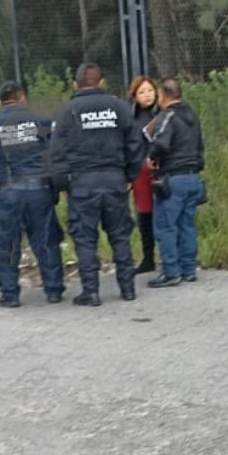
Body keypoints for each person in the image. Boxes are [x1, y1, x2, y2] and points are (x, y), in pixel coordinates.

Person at [50, 62, 145, 306]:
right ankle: (128, 288)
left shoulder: (67, 111)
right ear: (101, 83)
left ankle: (91, 292)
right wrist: (129, 176)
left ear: (75, 84)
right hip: (114, 180)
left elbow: (57, 154)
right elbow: (136, 145)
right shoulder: (119, 108)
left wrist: (63, 185)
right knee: (120, 235)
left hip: (82, 184)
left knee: (85, 238)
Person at [0, 81, 65, 308]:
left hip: (8, 192)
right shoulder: (43, 123)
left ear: (0, 102)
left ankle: (10, 294)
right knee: (45, 241)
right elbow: (56, 158)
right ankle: (53, 290)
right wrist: (56, 189)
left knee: (7, 244)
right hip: (39, 190)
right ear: (23, 97)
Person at [145, 77, 205, 288]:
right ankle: (189, 269)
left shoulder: (167, 116)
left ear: (162, 96)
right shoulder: (192, 115)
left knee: (165, 226)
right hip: (193, 177)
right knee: (186, 225)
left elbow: (160, 145)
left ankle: (171, 271)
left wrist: (151, 156)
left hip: (173, 179)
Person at [127, 76, 159, 274]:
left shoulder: (163, 112)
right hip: (140, 171)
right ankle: (148, 257)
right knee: (144, 215)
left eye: (149, 90)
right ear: (134, 96)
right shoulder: (130, 118)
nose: (147, 95)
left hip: (160, 168)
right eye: (142, 92)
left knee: (164, 213)